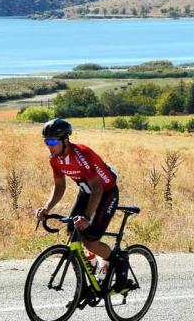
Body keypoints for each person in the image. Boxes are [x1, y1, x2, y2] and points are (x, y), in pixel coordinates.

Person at [36, 118, 132, 292]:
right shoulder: (55, 159)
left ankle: (119, 261)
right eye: (46, 141)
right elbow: (59, 186)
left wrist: (87, 217)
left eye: (52, 141)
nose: (49, 146)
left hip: (105, 193)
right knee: (72, 232)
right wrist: (47, 208)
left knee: (90, 241)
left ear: (65, 140)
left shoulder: (82, 154)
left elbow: (97, 188)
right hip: (86, 192)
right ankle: (92, 270)